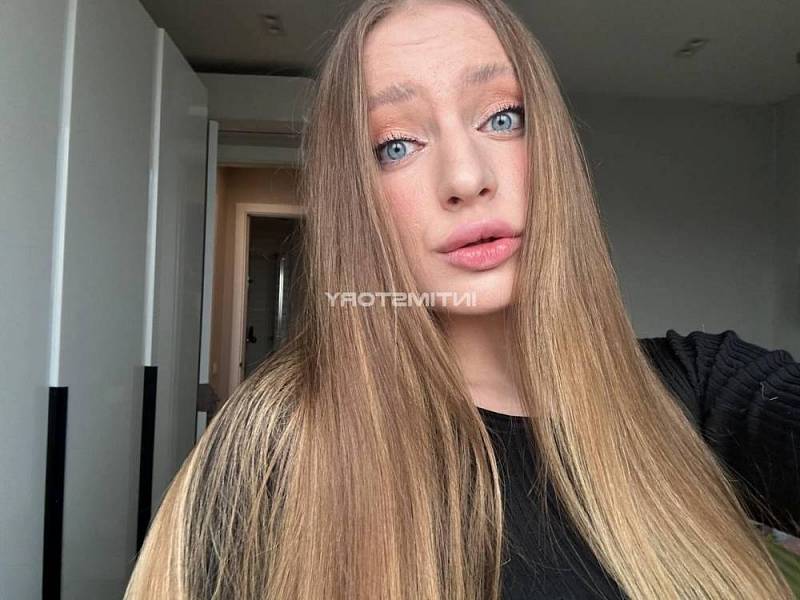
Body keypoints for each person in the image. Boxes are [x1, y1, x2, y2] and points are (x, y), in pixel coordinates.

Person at [124, 0, 800, 598]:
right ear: (356, 197)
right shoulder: (272, 445)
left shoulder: (696, 388)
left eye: (503, 117)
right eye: (396, 145)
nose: (466, 177)